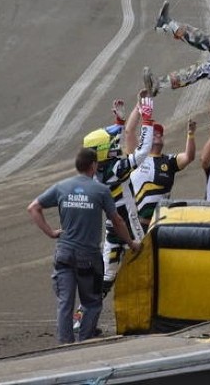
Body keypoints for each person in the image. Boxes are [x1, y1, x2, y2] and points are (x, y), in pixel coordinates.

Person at [27, 147, 139, 344]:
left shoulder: (62, 187)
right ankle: (85, 342)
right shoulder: (101, 190)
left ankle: (65, 345)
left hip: (64, 253)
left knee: (65, 303)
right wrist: (131, 243)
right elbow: (117, 221)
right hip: (88, 257)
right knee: (92, 302)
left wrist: (51, 232)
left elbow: (33, 208)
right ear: (94, 166)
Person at [82, 95, 156, 300]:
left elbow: (113, 142)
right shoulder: (114, 169)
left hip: (111, 230)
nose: (116, 141)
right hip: (130, 229)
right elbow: (141, 153)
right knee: (147, 267)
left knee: (105, 278)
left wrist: (119, 123)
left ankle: (81, 319)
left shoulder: (97, 170)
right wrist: (148, 122)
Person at [129, 117, 197, 232]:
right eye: (154, 132)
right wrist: (139, 106)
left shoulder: (169, 161)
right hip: (138, 227)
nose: (158, 134)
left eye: (160, 133)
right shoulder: (137, 158)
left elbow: (188, 157)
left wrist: (190, 134)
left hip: (161, 225)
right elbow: (129, 131)